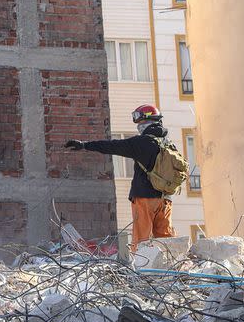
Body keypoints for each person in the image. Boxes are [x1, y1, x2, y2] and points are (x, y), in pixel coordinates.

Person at [64, 104, 175, 251]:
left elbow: (112, 146)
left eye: (140, 123)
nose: (139, 127)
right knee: (166, 239)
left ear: (147, 122)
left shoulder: (141, 142)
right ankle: (171, 267)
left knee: (142, 239)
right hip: (166, 199)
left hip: (145, 198)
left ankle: (140, 267)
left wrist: (85, 145)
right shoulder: (168, 144)